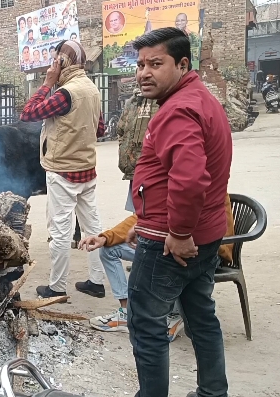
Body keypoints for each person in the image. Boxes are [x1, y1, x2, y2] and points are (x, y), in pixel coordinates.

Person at [129, 27, 232, 397]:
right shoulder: (201, 98)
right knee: (202, 318)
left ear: (182, 63)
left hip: (172, 244)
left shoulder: (178, 110)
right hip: (205, 235)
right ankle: (212, 393)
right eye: (140, 64)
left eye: (156, 63)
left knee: (146, 323)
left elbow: (189, 180)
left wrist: (179, 232)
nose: (144, 73)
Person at [78, 194, 234, 340]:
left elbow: (193, 225)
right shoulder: (167, 179)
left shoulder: (194, 180)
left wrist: (159, 235)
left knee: (164, 253)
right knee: (110, 249)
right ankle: (127, 312)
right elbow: (143, 217)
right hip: (170, 243)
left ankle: (173, 315)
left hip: (205, 251)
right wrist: (106, 237)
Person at [19, 40, 107, 299]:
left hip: (62, 172)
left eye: (55, 60)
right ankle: (96, 281)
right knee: (92, 228)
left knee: (59, 232)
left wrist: (47, 83)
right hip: (87, 170)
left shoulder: (65, 94)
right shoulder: (91, 89)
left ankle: (57, 287)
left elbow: (28, 114)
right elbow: (99, 129)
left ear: (62, 63)